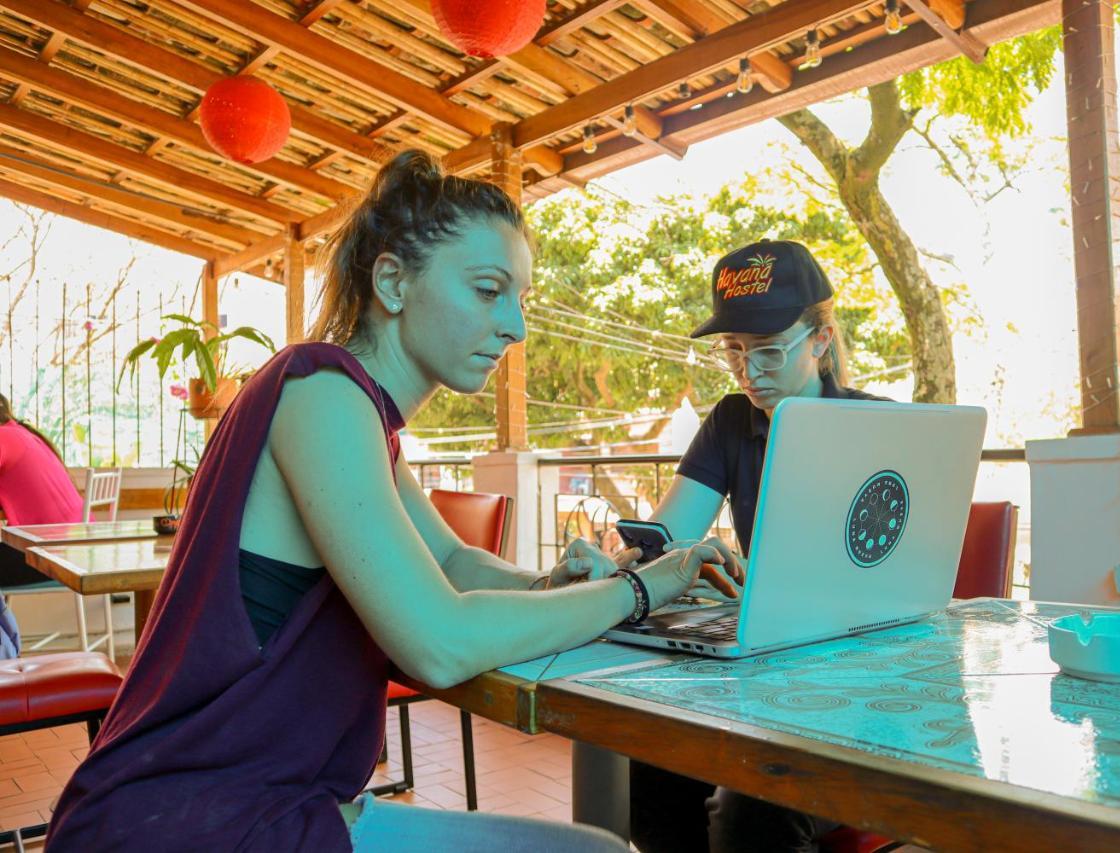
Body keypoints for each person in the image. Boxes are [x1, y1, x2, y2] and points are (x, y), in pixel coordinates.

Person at [46, 150, 731, 852]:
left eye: (519, 299)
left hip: (253, 804)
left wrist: (547, 583)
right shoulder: (319, 390)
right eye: (490, 291)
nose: (517, 328)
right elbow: (439, 641)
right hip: (189, 821)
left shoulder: (361, 416)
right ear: (394, 282)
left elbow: (454, 563)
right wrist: (635, 591)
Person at [629, 239, 891, 853]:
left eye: (769, 350)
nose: (751, 371)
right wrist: (629, 560)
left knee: (752, 815)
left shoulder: (875, 427)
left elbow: (898, 574)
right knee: (652, 766)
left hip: (857, 681)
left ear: (821, 340)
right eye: (735, 352)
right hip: (763, 669)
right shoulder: (730, 422)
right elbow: (671, 536)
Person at [0, 393, 86, 588]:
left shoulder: (4, 436)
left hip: (51, 555)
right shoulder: (21, 434)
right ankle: (8, 620)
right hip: (71, 549)